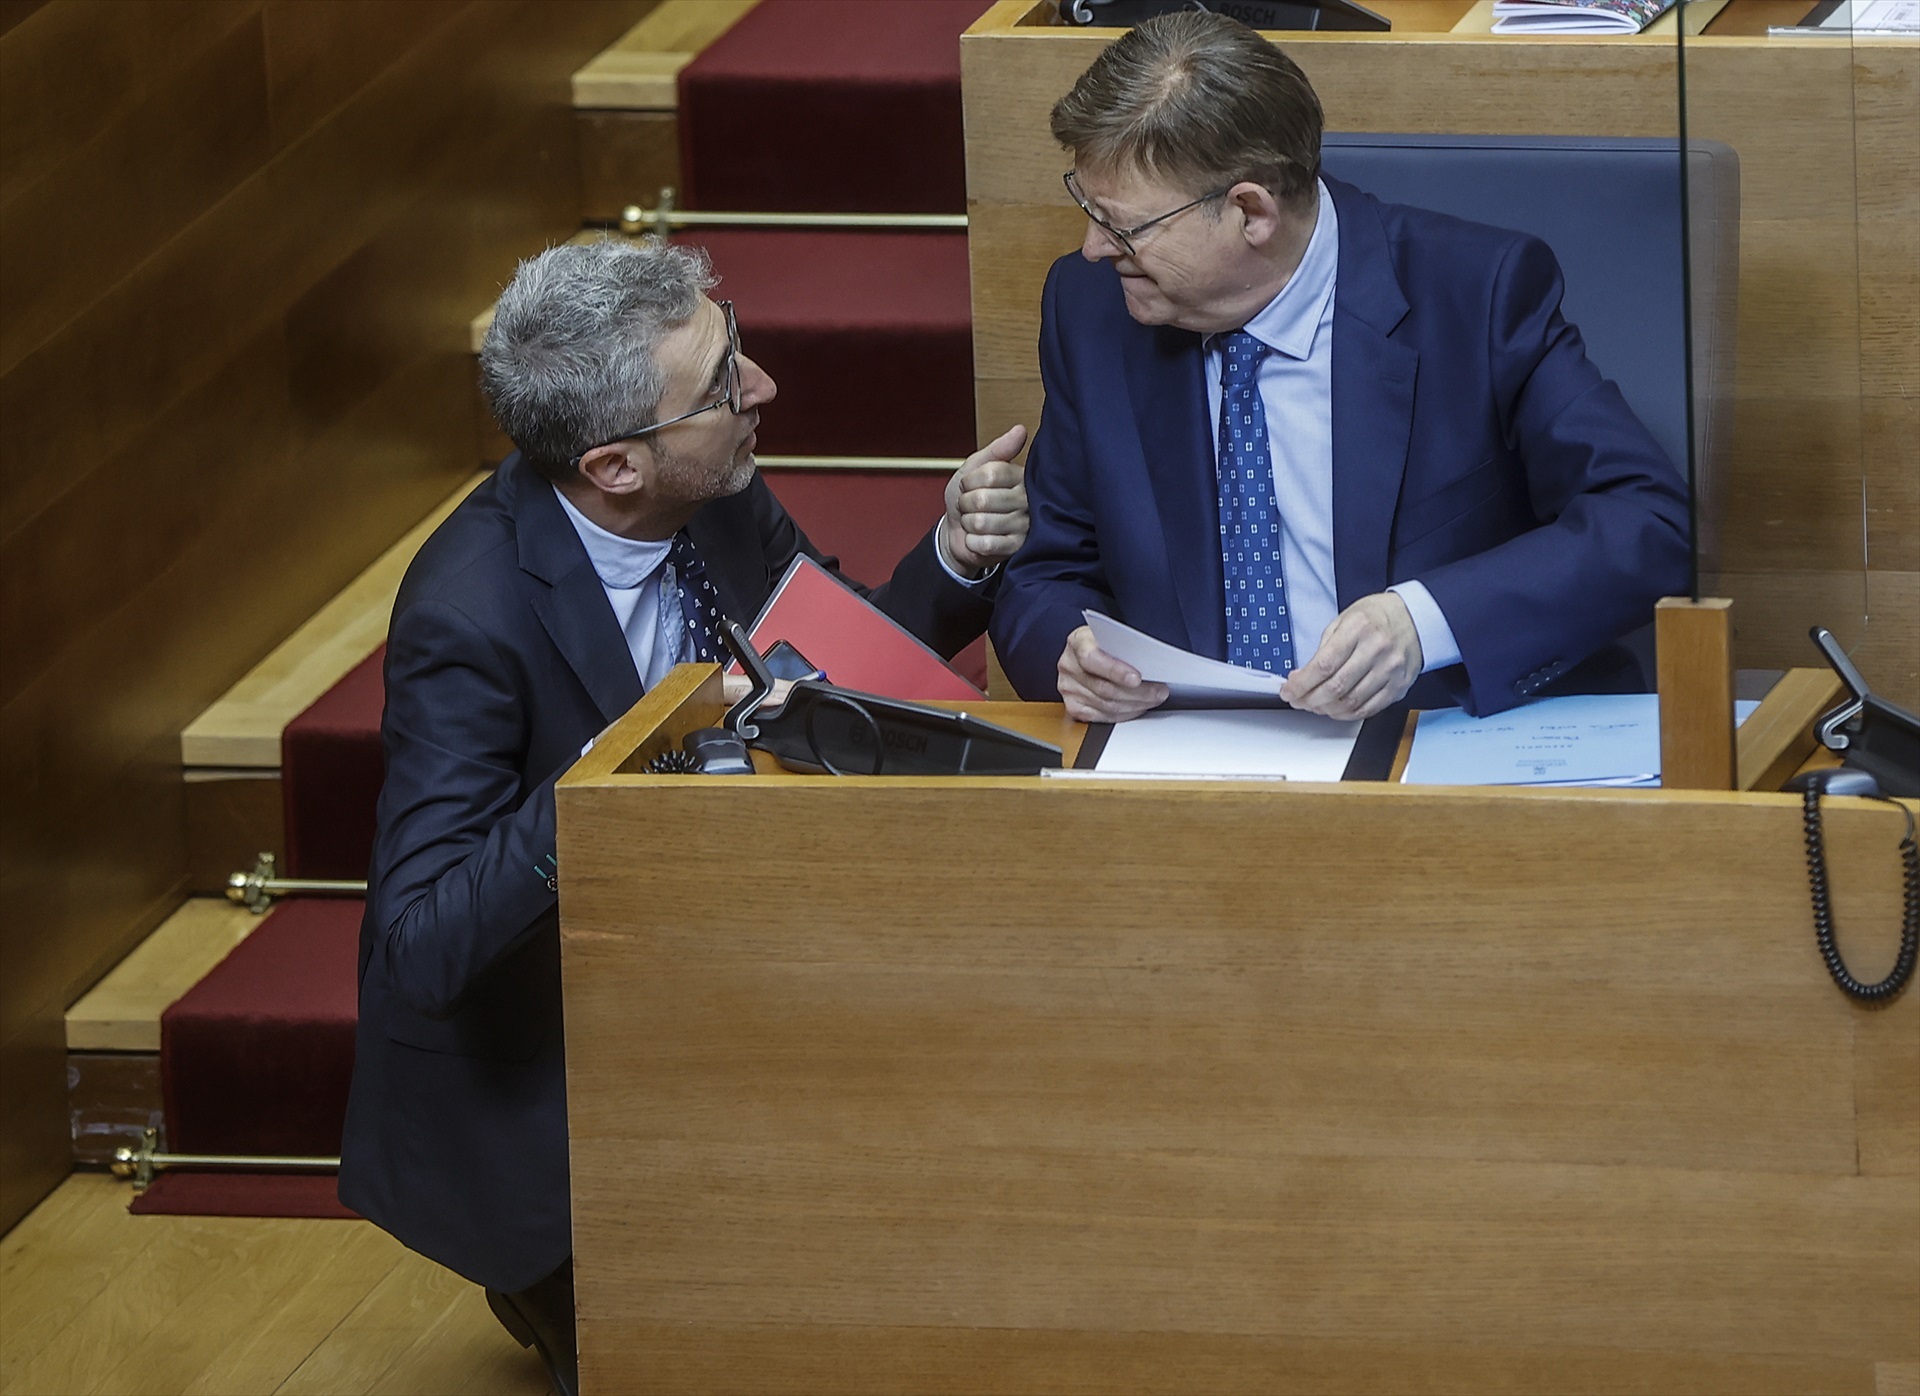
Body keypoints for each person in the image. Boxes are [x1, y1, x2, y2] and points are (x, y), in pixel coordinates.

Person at [337, 237, 1028, 1396]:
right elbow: (425, 942)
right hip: (569, 1084)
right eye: (721, 384)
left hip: (742, 991)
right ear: (613, 465)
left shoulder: (712, 491)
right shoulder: (472, 613)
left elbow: (829, 669)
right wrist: (630, 771)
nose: (759, 390)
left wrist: (956, 555)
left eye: (736, 343)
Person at [990, 10, 1690, 725]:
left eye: (1122, 227)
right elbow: (1045, 573)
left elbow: (1646, 521)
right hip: (1187, 761)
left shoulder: (1474, 293)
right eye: (1088, 206)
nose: (1092, 250)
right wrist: (1070, 651)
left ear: (1251, 212)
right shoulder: (1092, 310)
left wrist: (1422, 624)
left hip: (1432, 748)